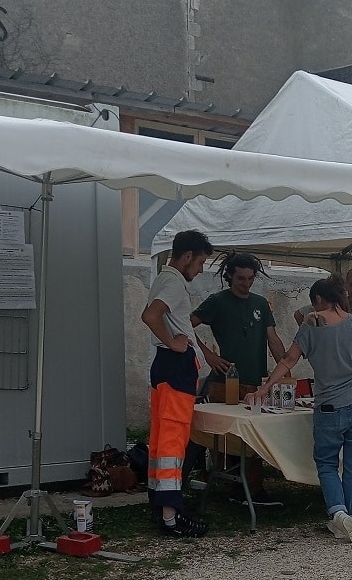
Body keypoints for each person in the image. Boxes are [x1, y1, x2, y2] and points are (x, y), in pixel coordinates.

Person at [255, 275, 352, 543]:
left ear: (319, 300)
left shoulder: (310, 330)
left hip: (330, 406)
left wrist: (264, 389)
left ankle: (338, 512)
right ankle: (348, 516)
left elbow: (288, 360)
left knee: (326, 464)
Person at [190, 251, 287, 506]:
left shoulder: (261, 303)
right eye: (241, 278)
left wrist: (285, 367)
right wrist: (207, 353)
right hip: (225, 381)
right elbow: (184, 324)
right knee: (220, 435)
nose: (246, 283)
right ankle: (230, 486)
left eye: (250, 278)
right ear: (230, 276)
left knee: (252, 437)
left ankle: (251, 488)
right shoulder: (217, 301)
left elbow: (273, 338)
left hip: (255, 381)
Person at [140, 229, 214, 537]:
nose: (199, 270)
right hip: (176, 365)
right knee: (173, 439)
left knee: (161, 439)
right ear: (187, 256)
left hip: (167, 366)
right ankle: (171, 515)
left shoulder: (163, 278)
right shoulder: (173, 282)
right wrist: (174, 343)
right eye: (199, 263)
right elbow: (150, 315)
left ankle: (161, 503)